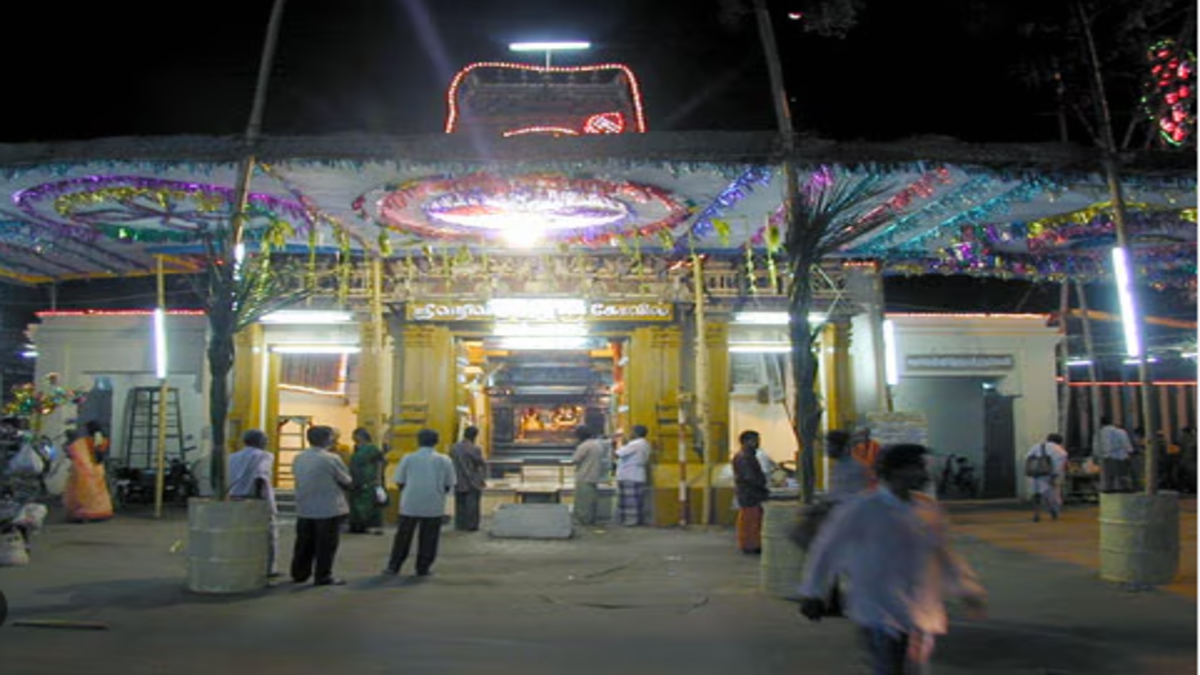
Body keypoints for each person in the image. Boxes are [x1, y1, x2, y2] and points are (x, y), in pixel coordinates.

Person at [799, 443, 987, 674]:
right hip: (879, 611)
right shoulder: (862, 509)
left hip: (920, 612)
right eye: (917, 467)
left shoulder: (928, 509)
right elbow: (827, 549)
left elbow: (943, 553)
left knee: (913, 670)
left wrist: (967, 589)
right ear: (896, 471)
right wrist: (813, 593)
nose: (924, 473)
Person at [383, 428, 456, 577]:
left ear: (418, 441)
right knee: (429, 538)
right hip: (434, 504)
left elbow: (400, 481)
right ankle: (423, 568)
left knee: (403, 537)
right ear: (436, 442)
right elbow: (449, 483)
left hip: (410, 504)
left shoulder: (408, 458)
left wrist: (410, 492)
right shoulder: (444, 459)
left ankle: (394, 566)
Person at [290, 425, 353, 586]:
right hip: (328, 508)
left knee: (304, 543)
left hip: (305, 506)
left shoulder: (299, 457)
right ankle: (323, 575)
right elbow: (346, 480)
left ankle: (299, 573)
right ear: (327, 439)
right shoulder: (331, 458)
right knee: (326, 545)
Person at [227, 429, 280, 578]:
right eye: (266, 439)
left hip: (234, 498)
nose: (268, 442)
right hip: (255, 499)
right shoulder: (264, 456)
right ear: (260, 442)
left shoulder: (232, 457)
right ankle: (268, 569)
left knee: (240, 535)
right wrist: (259, 502)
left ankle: (242, 566)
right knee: (268, 535)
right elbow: (261, 476)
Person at [62, 421, 114, 523]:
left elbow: (96, 452)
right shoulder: (99, 437)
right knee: (97, 492)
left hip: (88, 470)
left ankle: (88, 512)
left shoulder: (93, 438)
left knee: (86, 493)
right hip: (96, 469)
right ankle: (99, 511)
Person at [732, 429, 770, 555]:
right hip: (750, 494)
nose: (758, 443)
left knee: (752, 520)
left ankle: (751, 543)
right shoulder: (745, 457)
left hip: (749, 493)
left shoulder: (747, 455)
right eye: (755, 440)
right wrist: (762, 486)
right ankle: (751, 545)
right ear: (747, 441)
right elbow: (749, 477)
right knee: (751, 521)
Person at [347, 428, 386, 534]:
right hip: (356, 479)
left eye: (353, 435)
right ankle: (357, 525)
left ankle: (369, 525)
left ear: (360, 436)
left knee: (367, 503)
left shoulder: (372, 448)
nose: (352, 437)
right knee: (355, 502)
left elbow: (379, 463)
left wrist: (378, 479)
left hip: (369, 479)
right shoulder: (357, 448)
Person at [449, 425, 488, 532]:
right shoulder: (475, 449)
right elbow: (480, 463)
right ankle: (471, 525)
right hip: (472, 480)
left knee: (460, 503)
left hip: (458, 479)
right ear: (475, 436)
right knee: (472, 504)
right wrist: (482, 479)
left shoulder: (453, 447)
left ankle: (460, 524)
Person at [571, 425, 610, 526]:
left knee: (583, 500)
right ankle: (590, 518)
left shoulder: (584, 446)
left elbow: (575, 459)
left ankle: (583, 520)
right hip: (594, 475)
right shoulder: (597, 444)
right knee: (591, 499)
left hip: (584, 475)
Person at [1026, 432, 1069, 523]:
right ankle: (1053, 512)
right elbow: (1059, 466)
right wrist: (1054, 477)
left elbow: (1028, 457)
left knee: (1036, 495)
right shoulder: (1060, 451)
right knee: (1052, 496)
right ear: (1060, 441)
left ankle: (1036, 513)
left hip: (1036, 474)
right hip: (1049, 475)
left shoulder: (1037, 446)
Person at [614, 424, 652, 526]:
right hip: (637, 475)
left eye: (631, 431)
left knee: (630, 501)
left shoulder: (634, 445)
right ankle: (634, 520)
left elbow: (617, 454)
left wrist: (618, 441)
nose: (629, 434)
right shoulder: (645, 444)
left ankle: (631, 521)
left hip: (629, 475)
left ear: (636, 433)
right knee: (635, 500)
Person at [1093, 417, 1135, 493]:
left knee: (1108, 478)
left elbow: (1096, 447)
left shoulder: (1098, 434)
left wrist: (1095, 458)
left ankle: (1109, 492)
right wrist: (1130, 452)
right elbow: (1126, 444)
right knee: (1122, 476)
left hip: (1106, 458)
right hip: (1120, 457)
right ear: (1111, 422)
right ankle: (1124, 490)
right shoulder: (1120, 431)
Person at [826, 428, 869, 501]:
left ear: (844, 447)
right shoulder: (839, 465)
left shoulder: (855, 469)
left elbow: (851, 499)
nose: (827, 448)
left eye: (831, 445)